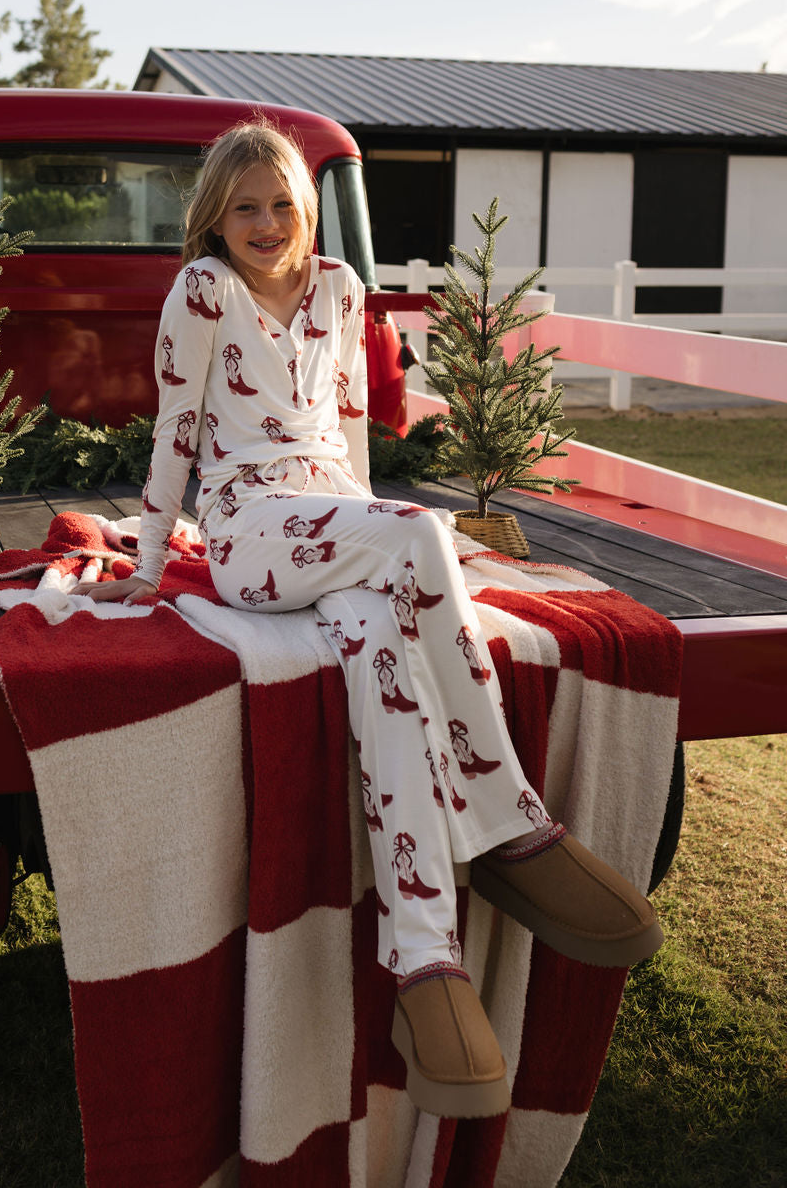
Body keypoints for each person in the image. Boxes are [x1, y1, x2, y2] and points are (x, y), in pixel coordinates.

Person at [82, 121, 662, 1119]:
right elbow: (174, 434)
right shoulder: (202, 293)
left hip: (338, 518)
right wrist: (144, 563)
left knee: (380, 643)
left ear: (307, 207)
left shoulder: (343, 288)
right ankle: (509, 820)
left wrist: (369, 526)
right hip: (251, 533)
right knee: (419, 534)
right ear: (214, 219)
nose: (266, 224)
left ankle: (423, 956)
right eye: (244, 207)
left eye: (281, 204)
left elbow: (348, 432)